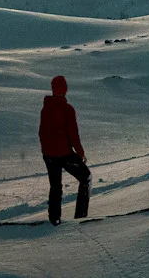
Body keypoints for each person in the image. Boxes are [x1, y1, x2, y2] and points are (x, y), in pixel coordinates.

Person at [38, 75, 91, 223]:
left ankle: (54, 219)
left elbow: (41, 132)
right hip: (63, 154)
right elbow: (73, 134)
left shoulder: (46, 107)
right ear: (65, 89)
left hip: (48, 154)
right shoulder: (67, 109)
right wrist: (81, 153)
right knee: (86, 178)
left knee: (55, 186)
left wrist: (46, 151)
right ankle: (81, 216)